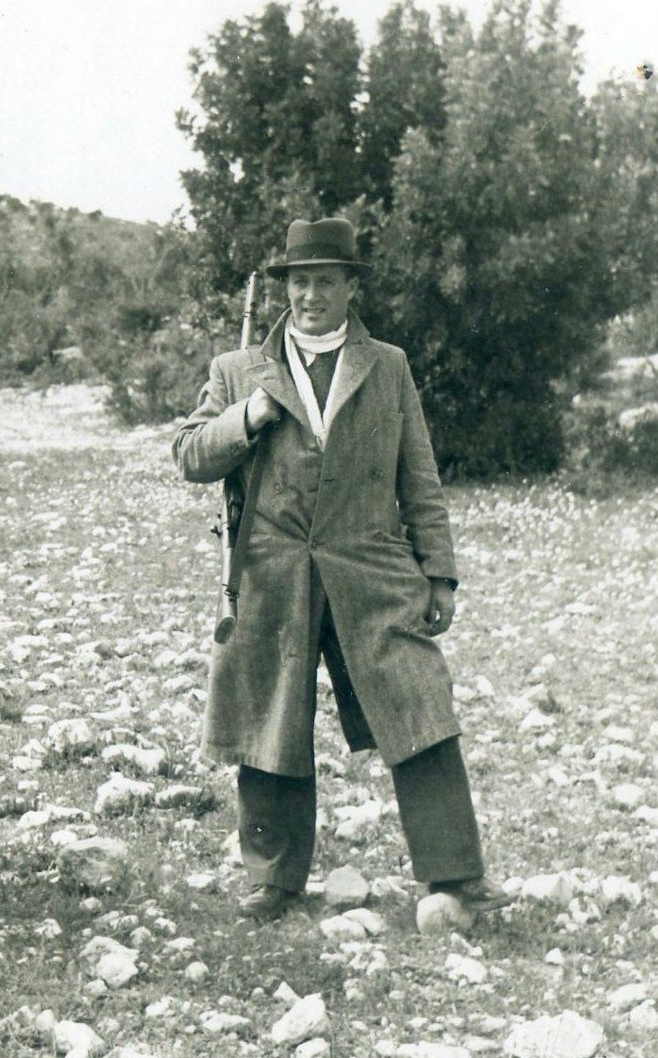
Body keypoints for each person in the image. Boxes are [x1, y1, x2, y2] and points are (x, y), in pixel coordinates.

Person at [171, 217, 513, 923]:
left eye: (326, 280)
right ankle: (272, 879)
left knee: (422, 707)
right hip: (271, 571)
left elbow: (419, 476)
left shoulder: (387, 365)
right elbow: (188, 456)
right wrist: (247, 416)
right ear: (283, 289)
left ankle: (455, 874)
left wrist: (438, 573)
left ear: (351, 287)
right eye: (299, 282)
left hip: (374, 568)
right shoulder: (237, 372)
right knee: (270, 718)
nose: (311, 296)